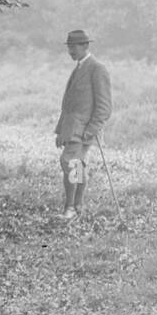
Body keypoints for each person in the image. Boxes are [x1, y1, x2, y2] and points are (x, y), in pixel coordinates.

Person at [54, 29, 113, 220]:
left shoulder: (97, 68)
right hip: (72, 129)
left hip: (83, 130)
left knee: (70, 163)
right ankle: (76, 207)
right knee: (77, 165)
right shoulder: (79, 67)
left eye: (74, 46)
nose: (70, 50)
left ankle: (70, 208)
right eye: (69, 46)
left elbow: (104, 106)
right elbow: (69, 104)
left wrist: (91, 131)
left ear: (85, 46)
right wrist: (60, 130)